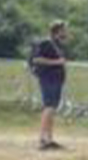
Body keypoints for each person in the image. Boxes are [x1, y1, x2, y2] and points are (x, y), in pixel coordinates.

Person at [30, 20, 69, 150]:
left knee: (52, 109)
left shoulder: (58, 44)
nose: (66, 32)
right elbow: (36, 59)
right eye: (64, 29)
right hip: (48, 79)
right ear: (57, 31)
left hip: (57, 80)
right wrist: (57, 62)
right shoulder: (45, 43)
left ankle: (49, 138)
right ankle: (42, 139)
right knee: (49, 107)